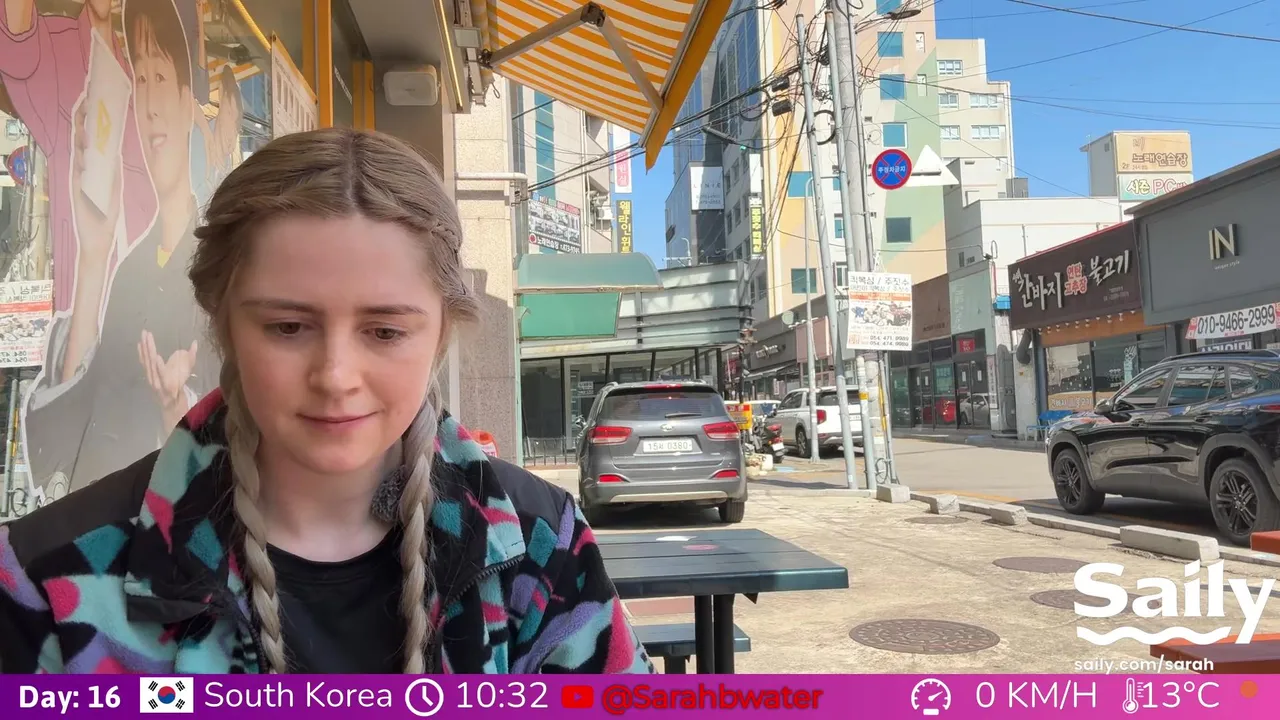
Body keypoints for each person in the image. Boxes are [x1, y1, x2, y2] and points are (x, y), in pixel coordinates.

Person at [0, 127, 656, 674]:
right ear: (223, 324)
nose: (336, 376)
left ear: (440, 334)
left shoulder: (540, 551)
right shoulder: (49, 580)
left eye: (385, 332)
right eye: (288, 327)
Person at [21, 0, 215, 496]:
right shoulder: (129, 273)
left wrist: (178, 413)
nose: (149, 104)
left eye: (161, 77)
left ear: (188, 103)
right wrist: (94, 255)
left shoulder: (221, 268)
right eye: (141, 78)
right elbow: (56, 453)